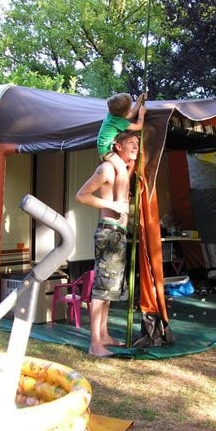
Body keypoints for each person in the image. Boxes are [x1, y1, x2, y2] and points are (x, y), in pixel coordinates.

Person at [76, 131, 140, 357]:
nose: (136, 146)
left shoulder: (122, 170)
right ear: (118, 146)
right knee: (101, 289)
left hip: (118, 233)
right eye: (131, 142)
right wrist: (113, 205)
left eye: (137, 143)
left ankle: (104, 335)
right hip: (108, 232)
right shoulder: (106, 169)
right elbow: (81, 195)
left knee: (110, 288)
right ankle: (95, 344)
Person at [97, 93, 146, 214]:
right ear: (124, 112)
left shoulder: (112, 115)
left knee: (126, 167)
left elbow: (130, 114)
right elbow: (139, 126)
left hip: (103, 148)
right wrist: (141, 114)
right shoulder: (119, 122)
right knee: (122, 170)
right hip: (106, 151)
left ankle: (122, 195)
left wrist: (139, 102)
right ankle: (120, 200)